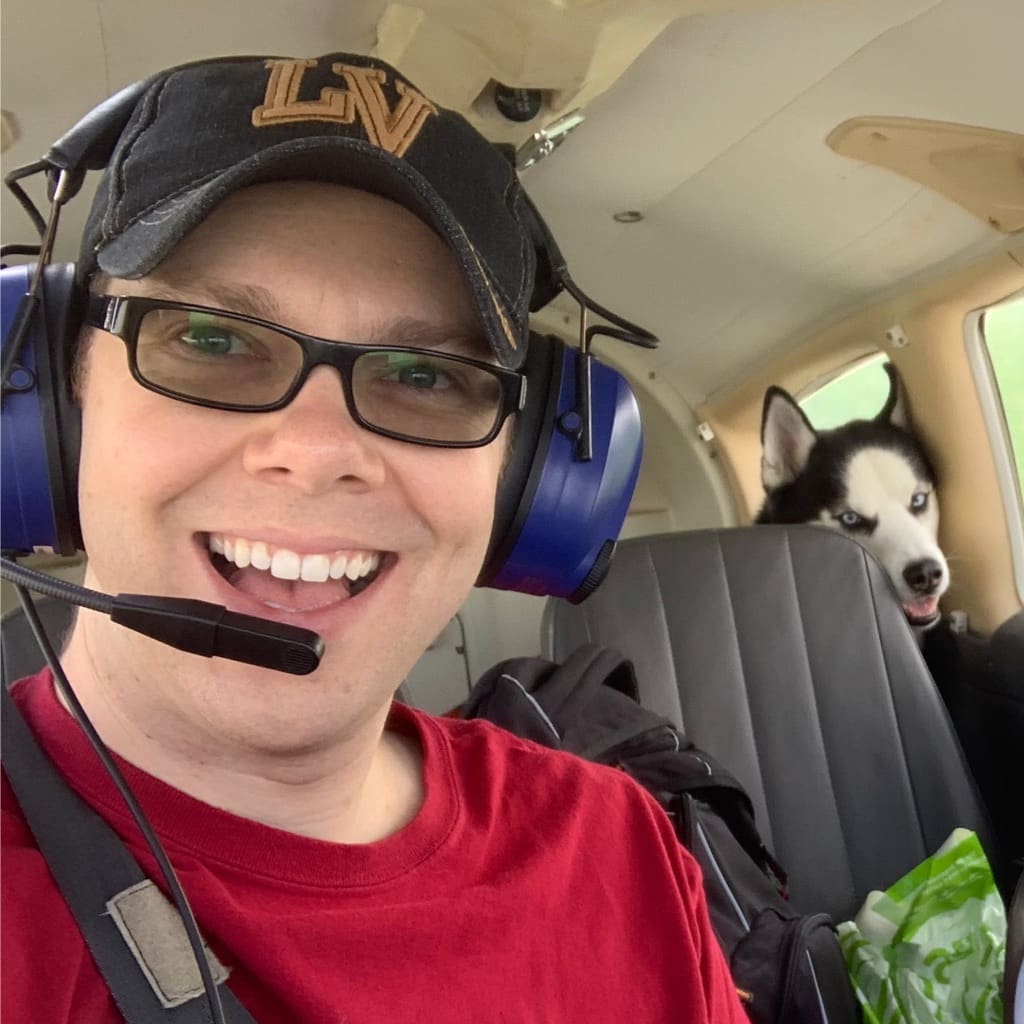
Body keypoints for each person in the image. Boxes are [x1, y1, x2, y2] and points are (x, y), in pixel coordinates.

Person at [1, 52, 748, 1022]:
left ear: (526, 476)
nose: (316, 453)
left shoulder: (620, 849)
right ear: (51, 397)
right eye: (212, 338)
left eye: (428, 375)